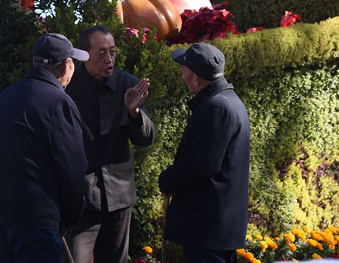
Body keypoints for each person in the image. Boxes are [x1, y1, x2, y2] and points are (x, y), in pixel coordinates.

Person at [0, 33, 90, 263]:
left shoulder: (5, 97)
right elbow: (72, 169)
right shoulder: (58, 101)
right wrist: (67, 220)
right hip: (36, 220)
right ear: (65, 67)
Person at [65, 25, 158, 263]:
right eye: (101, 54)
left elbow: (146, 138)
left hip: (119, 196)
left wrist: (134, 112)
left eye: (113, 52)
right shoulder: (68, 88)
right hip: (82, 199)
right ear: (84, 56)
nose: (109, 60)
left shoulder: (127, 84)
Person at [158, 43, 250, 263]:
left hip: (208, 228)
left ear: (197, 78)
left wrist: (167, 180)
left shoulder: (216, 106)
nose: (181, 73)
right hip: (217, 228)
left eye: (184, 68)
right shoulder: (229, 102)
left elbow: (203, 164)